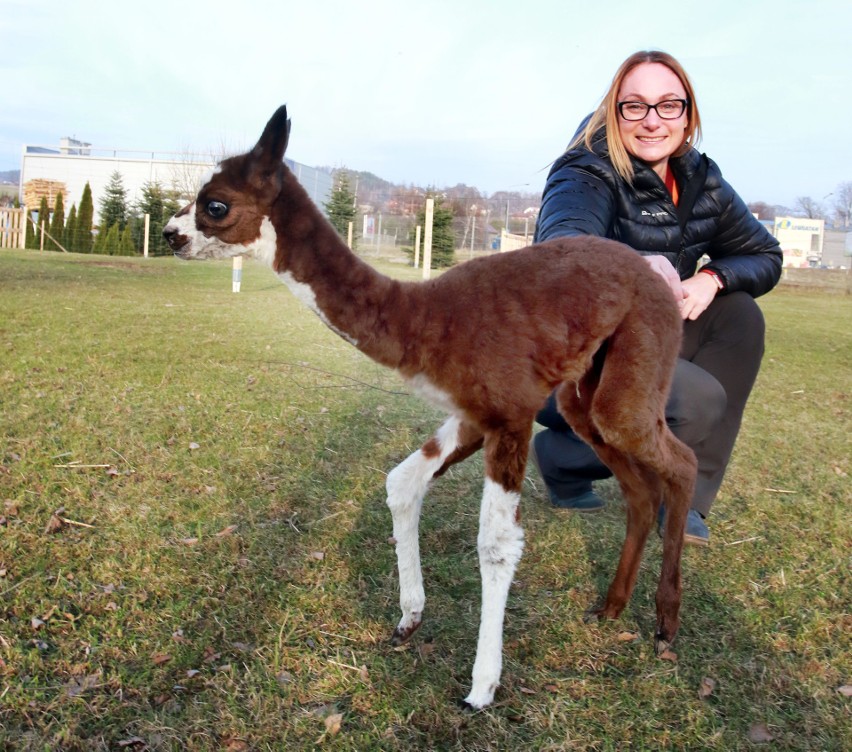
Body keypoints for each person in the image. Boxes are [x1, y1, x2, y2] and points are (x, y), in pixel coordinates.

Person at [530, 50, 782, 545]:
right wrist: (633, 266)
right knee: (695, 403)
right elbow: (561, 248)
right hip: (572, 357)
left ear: (687, 116)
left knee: (740, 315)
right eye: (634, 106)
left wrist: (714, 279)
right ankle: (561, 457)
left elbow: (765, 254)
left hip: (643, 340)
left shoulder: (701, 180)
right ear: (614, 111)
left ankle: (684, 498)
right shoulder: (584, 170)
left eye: (668, 105)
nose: (651, 121)